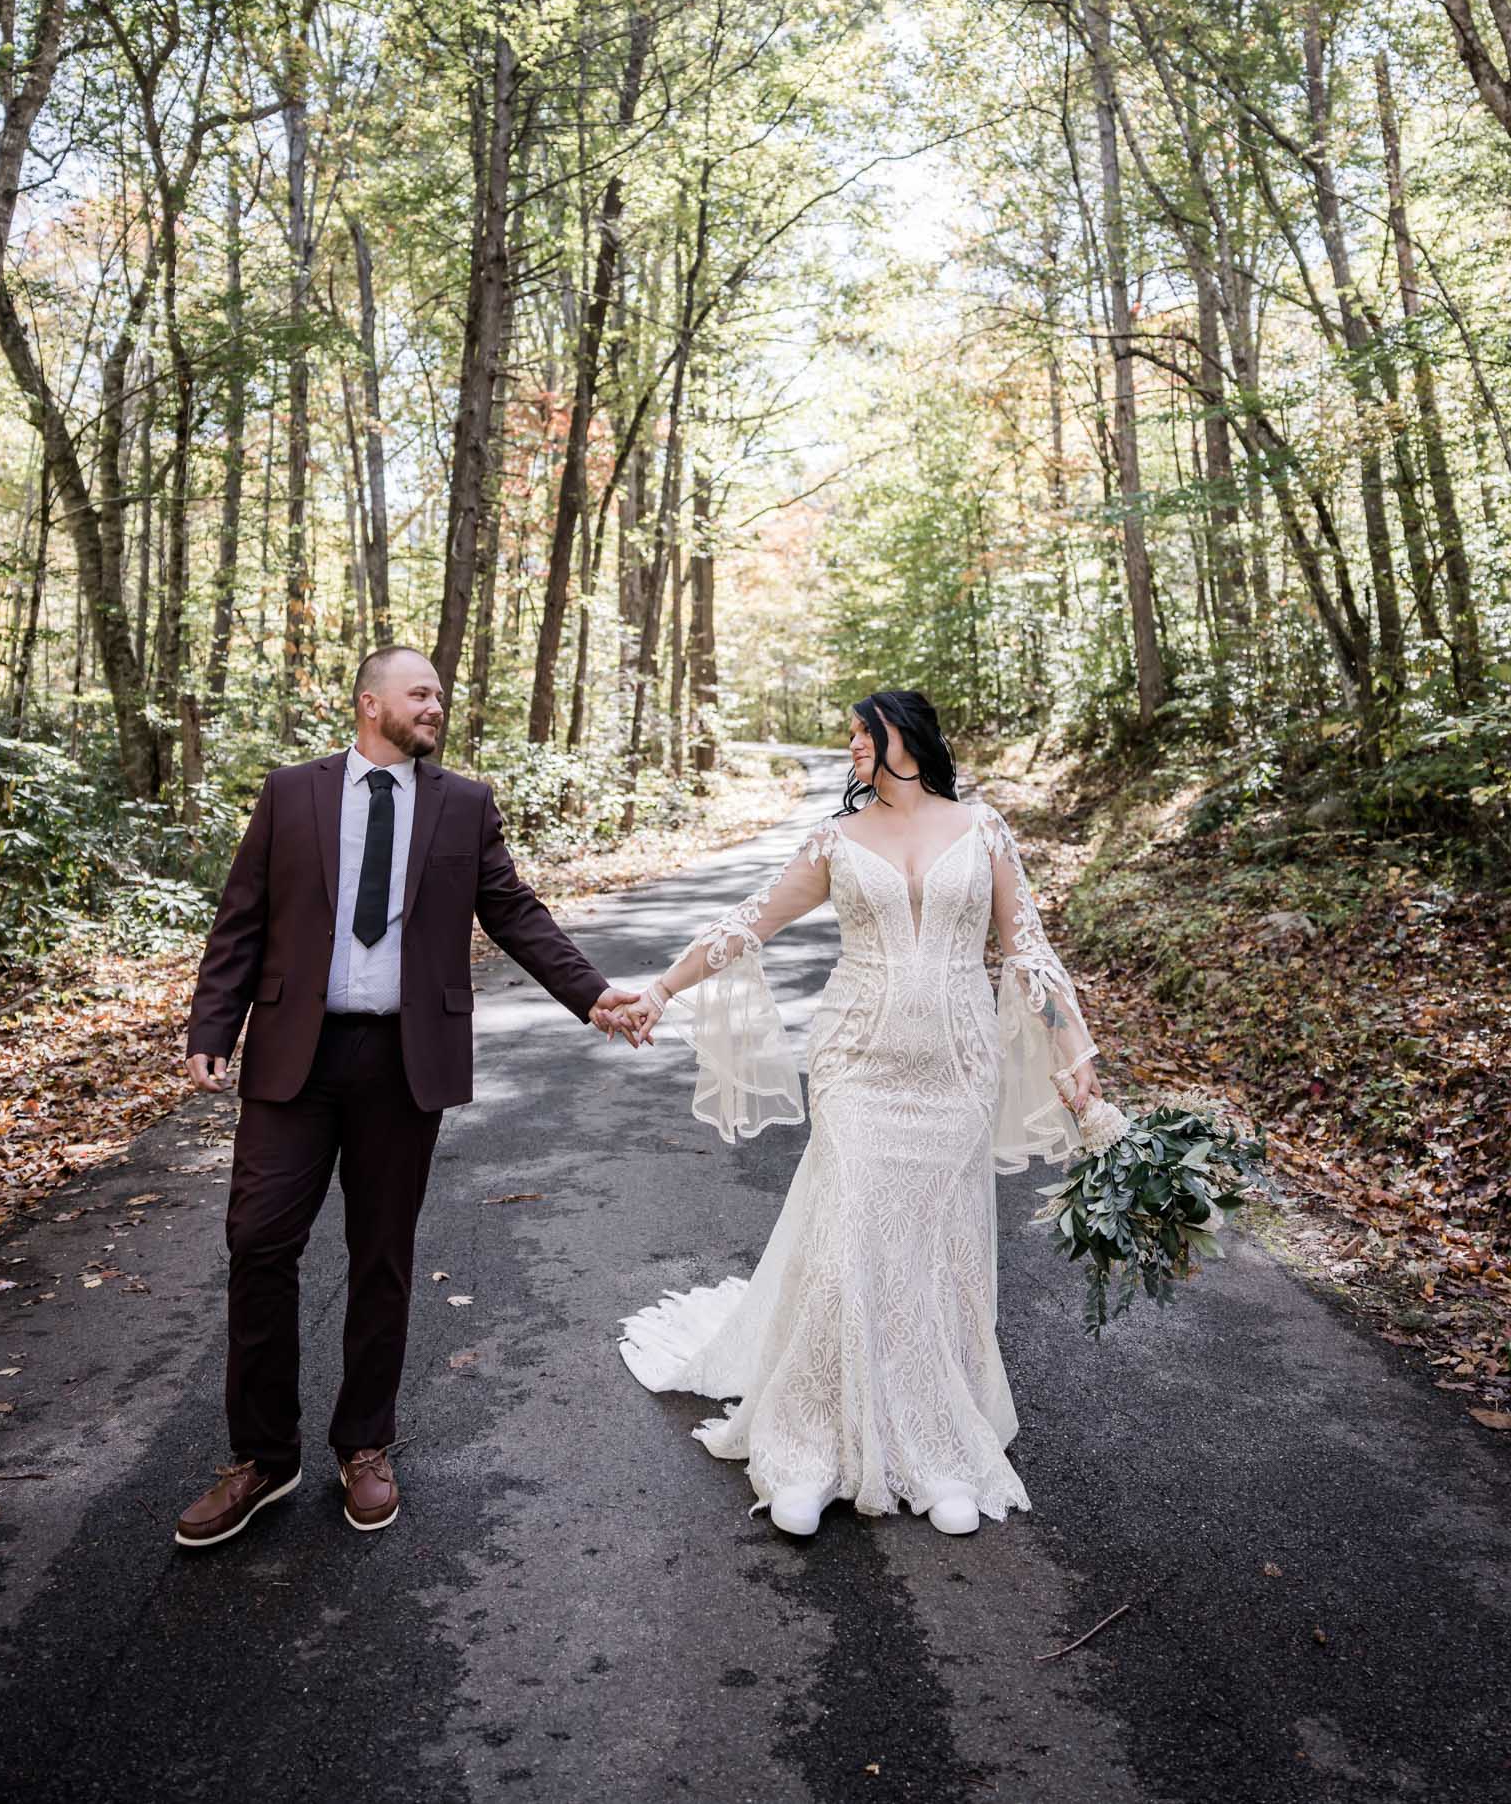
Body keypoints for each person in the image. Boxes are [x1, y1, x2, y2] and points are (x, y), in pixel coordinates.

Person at [175, 645, 644, 1549]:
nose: (436, 705)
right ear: (368, 704)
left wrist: (592, 995)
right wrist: (210, 1028)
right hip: (291, 1060)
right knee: (258, 1242)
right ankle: (262, 1460)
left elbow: (513, 911)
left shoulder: (463, 803)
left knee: (381, 1255)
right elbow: (241, 917)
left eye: (439, 694)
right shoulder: (291, 793)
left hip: (402, 1062)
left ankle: (364, 1444)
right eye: (419, 692)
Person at [614, 688, 1106, 1539]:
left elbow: (1027, 948)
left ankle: (937, 1449)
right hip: (855, 1063)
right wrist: (659, 989)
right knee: (850, 1241)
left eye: (859, 734)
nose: (848, 748)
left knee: (931, 1252)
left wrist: (1078, 1060)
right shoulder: (834, 840)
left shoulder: (982, 829)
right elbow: (748, 923)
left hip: (955, 1067)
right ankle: (809, 1447)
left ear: (903, 740)